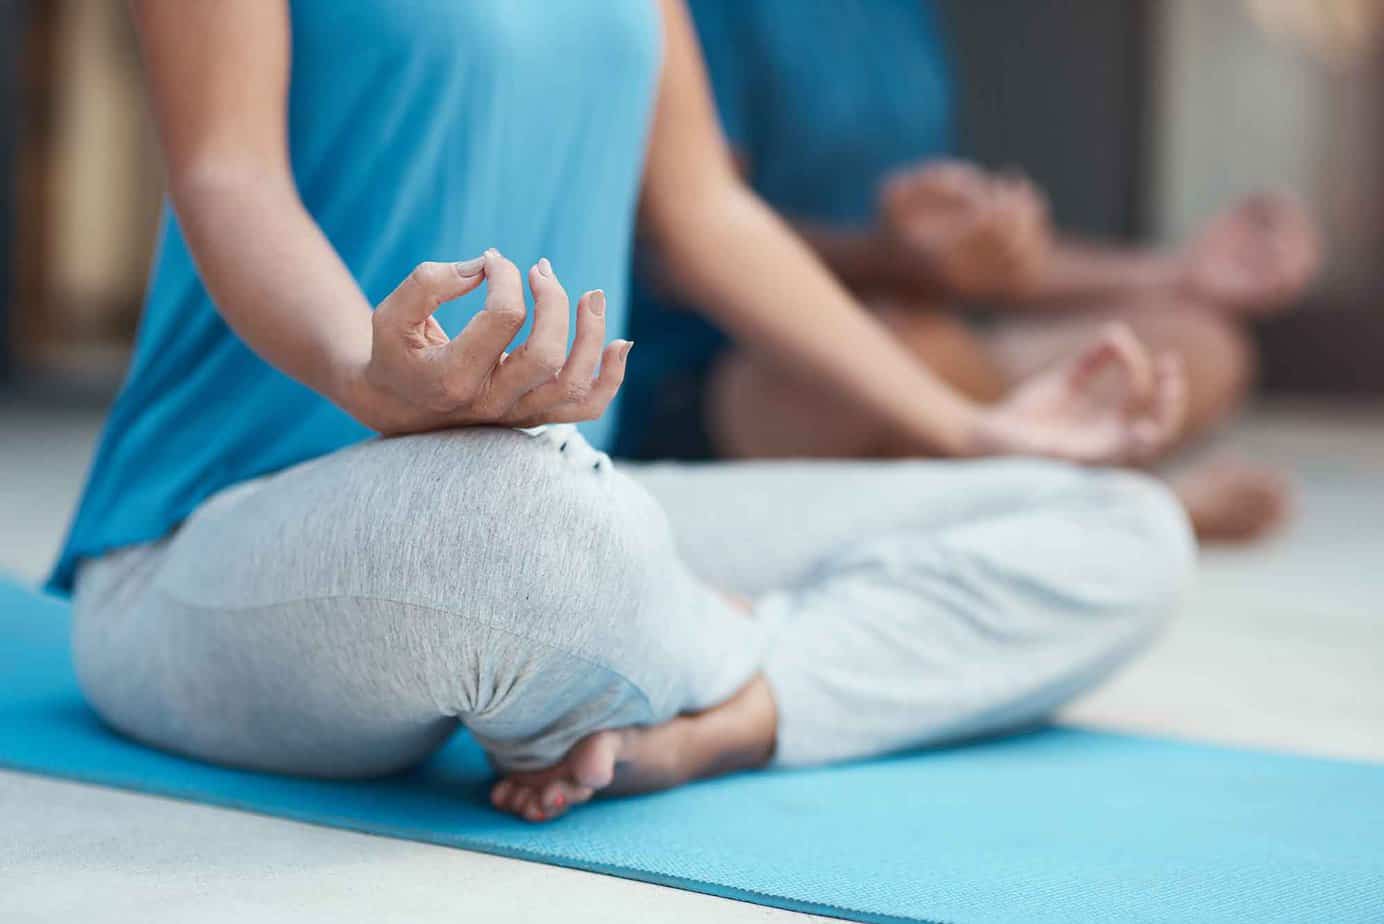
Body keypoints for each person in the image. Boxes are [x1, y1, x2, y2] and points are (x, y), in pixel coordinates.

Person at [56, 0, 1192, 825]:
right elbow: (228, 177)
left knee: (1119, 524)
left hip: (573, 505)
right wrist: (367, 372)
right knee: (511, 524)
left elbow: (709, 216)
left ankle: (728, 707)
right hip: (231, 543)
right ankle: (695, 630)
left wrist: (968, 429)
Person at [620, 0, 1322, 543]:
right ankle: (1102, 507)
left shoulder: (900, 16)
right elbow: (691, 232)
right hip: (741, 370)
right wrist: (889, 257)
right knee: (911, 352)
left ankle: (1030, 485)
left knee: (1197, 344)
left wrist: (1177, 272)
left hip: (926, 342)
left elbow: (949, 269)